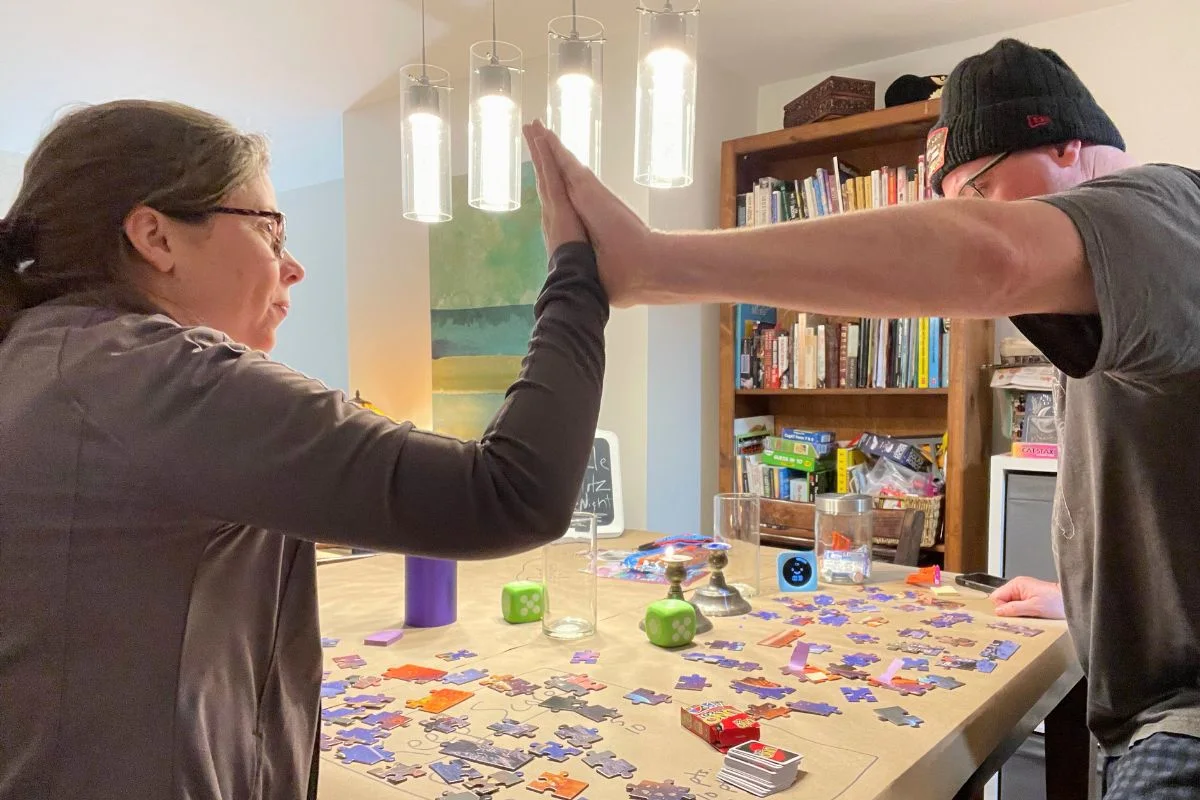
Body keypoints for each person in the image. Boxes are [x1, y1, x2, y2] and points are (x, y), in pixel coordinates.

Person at [525, 38, 1200, 798]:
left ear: (1068, 145)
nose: (965, 220)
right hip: (1147, 702)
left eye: (976, 193)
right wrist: (1087, 601)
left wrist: (654, 263)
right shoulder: (1131, 286)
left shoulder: (1170, 206)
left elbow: (993, 259)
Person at [0, 101, 607, 800]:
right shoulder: (154, 376)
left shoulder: (48, 354)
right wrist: (578, 278)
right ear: (155, 237)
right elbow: (511, 494)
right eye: (269, 229)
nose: (294, 268)